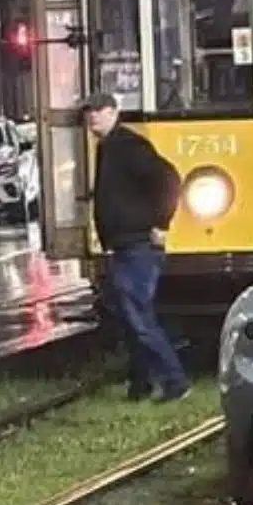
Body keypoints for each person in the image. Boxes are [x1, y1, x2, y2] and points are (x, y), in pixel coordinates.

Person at [82, 92, 189, 403]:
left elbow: (169, 179)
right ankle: (140, 382)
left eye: (99, 111)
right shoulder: (109, 146)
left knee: (139, 317)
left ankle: (174, 380)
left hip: (138, 243)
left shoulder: (128, 146)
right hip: (124, 244)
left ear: (115, 112)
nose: (93, 117)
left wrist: (161, 223)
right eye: (89, 112)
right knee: (131, 318)